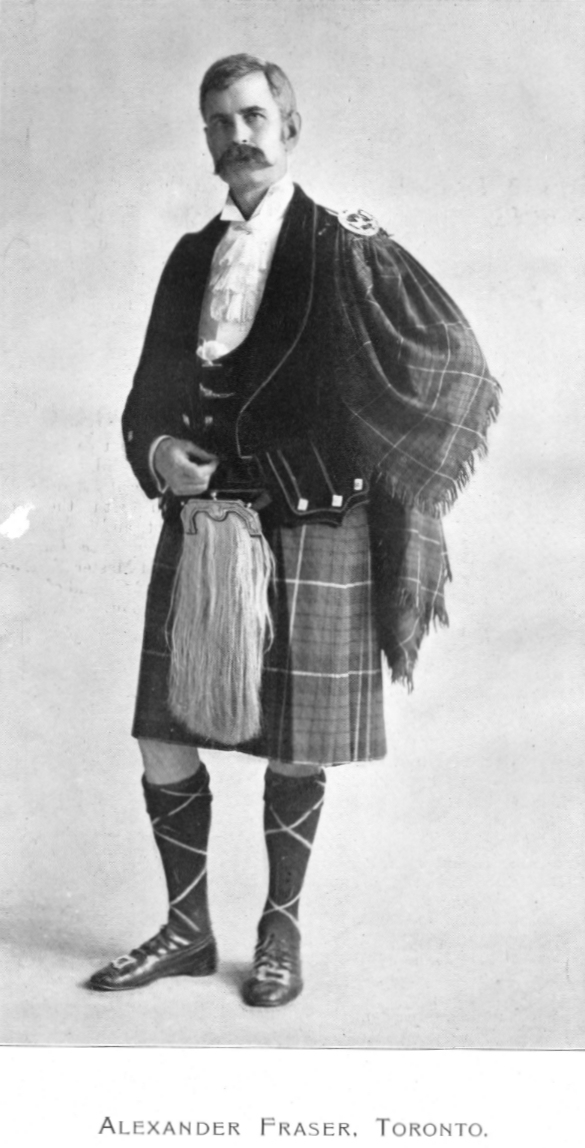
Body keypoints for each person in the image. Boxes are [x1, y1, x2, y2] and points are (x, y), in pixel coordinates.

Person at [87, 54, 500, 1007]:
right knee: (162, 733)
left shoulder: (346, 246)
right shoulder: (189, 256)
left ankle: (280, 930)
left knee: (296, 742)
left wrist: (345, 448)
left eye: (253, 117)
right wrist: (158, 452)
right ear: (206, 139)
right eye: (219, 121)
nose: (238, 136)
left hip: (314, 526)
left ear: (289, 127)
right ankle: (187, 929)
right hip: (204, 527)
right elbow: (145, 398)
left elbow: (453, 367)